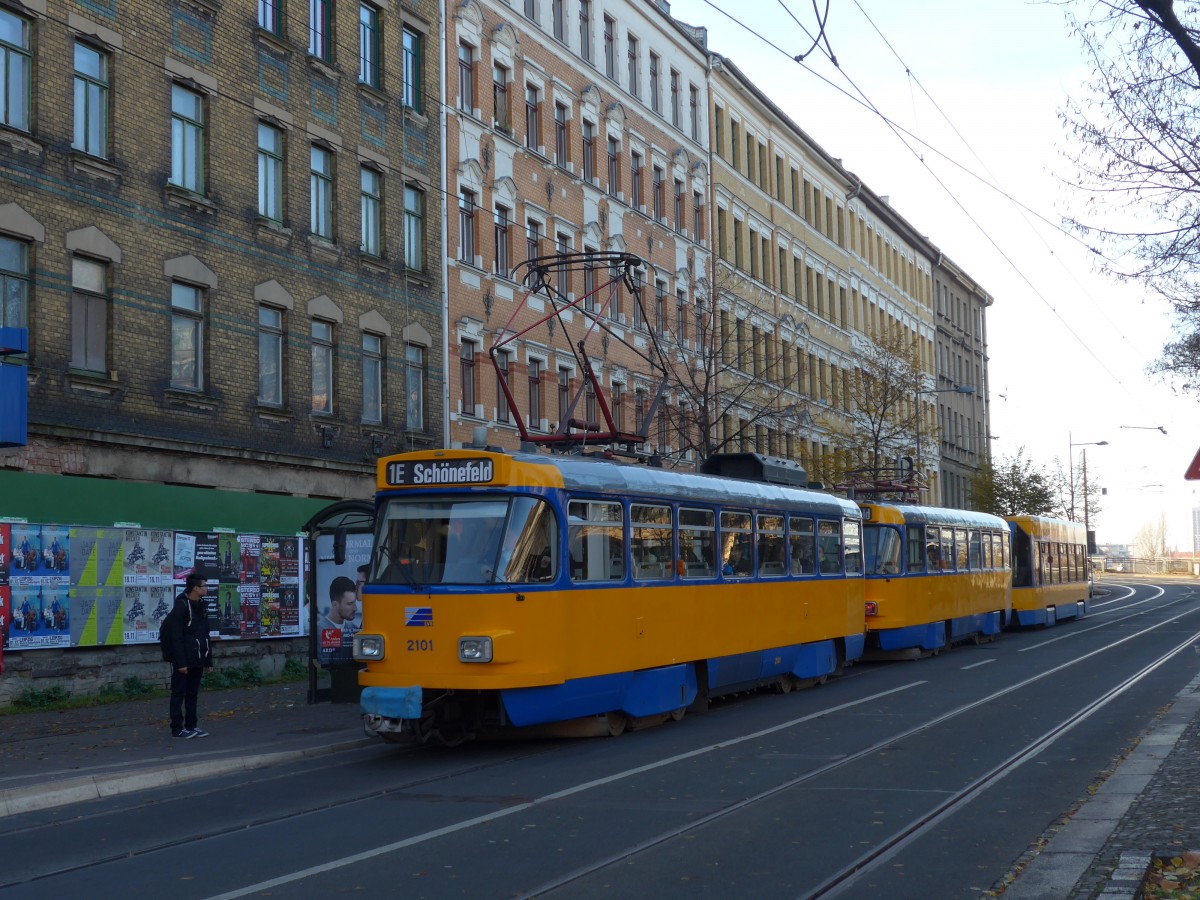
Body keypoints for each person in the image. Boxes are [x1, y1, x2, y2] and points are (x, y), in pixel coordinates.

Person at [165, 574, 213, 739]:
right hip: (184, 659)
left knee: (192, 694)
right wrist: (181, 662)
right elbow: (176, 636)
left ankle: (192, 725)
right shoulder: (182, 606)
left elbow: (205, 634)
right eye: (204, 585)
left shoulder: (202, 606)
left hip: (198, 657)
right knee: (178, 693)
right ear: (195, 588)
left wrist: (208, 660)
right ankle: (177, 728)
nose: (206, 588)